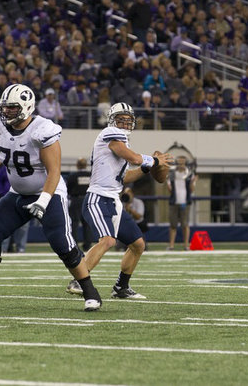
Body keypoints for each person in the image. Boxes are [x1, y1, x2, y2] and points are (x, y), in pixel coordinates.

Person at [0, 84, 102, 311]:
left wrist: (42, 201)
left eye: (12, 108)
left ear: (27, 106)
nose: (6, 112)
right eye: (5, 107)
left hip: (48, 193)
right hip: (17, 194)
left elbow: (54, 172)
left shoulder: (42, 129)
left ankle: (90, 292)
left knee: (63, 244)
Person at [66, 103, 172, 299]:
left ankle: (121, 287)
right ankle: (78, 280)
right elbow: (132, 157)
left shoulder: (122, 142)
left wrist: (147, 168)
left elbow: (125, 177)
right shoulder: (111, 134)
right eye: (120, 119)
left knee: (138, 244)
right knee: (107, 240)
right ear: (112, 121)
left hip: (113, 200)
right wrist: (154, 161)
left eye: (127, 120)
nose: (123, 124)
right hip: (98, 198)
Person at [167, 156, 197, 250]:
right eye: (179, 163)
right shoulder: (172, 174)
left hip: (185, 202)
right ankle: (171, 245)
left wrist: (193, 182)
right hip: (174, 201)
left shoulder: (189, 174)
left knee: (185, 224)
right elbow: (170, 190)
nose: (180, 165)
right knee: (173, 225)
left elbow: (192, 190)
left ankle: (186, 245)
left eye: (182, 163)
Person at [66, 157, 92, 251]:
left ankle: (74, 245)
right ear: (86, 165)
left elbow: (68, 189)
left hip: (76, 200)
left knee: (74, 223)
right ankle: (87, 245)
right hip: (88, 200)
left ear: (77, 165)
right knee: (87, 224)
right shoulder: (91, 175)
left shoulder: (73, 176)